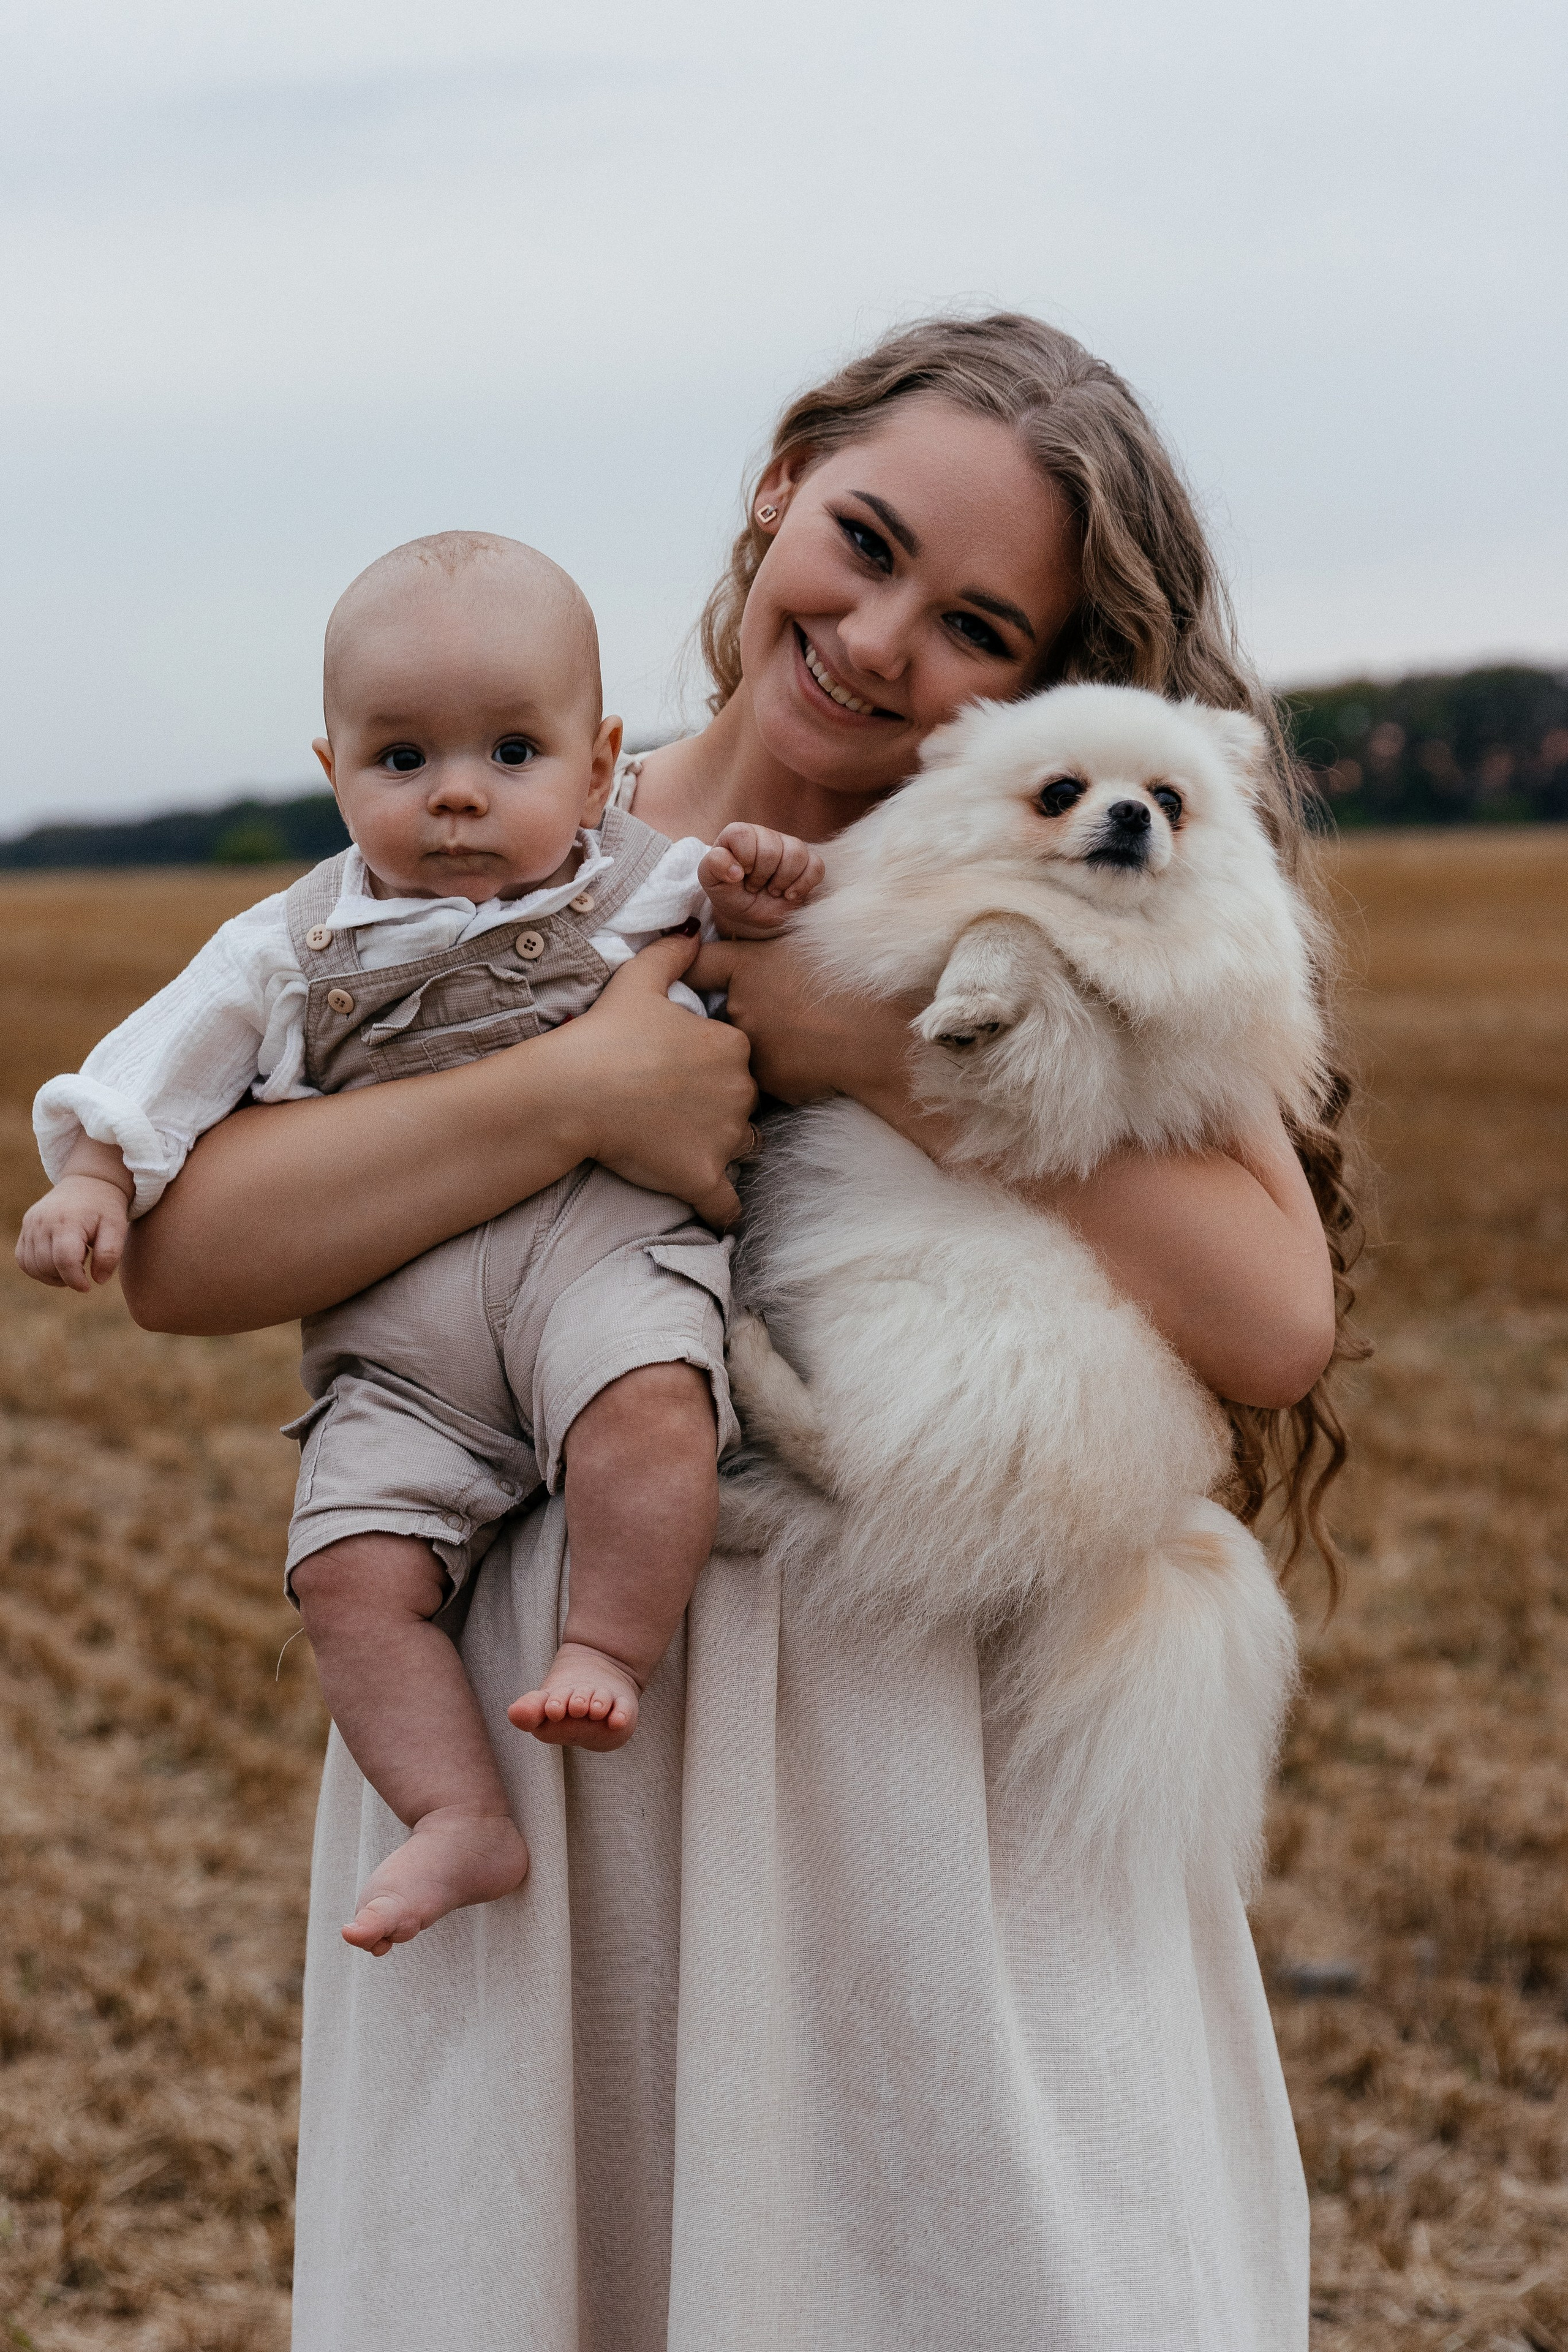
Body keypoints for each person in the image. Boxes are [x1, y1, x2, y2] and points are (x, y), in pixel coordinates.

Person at [121, 315, 1351, 2351]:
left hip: (921, 1757)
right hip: (565, 1748)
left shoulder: (1041, 885)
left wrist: (863, 1042)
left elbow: (1275, 1315)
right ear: (780, 483)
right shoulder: (499, 821)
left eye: (972, 623)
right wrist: (574, 1097)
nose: (876, 639)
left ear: (1035, 687)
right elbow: (187, 1257)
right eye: (860, 544)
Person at [19, 531, 824, 1959]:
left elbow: (740, 938)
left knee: (652, 1413)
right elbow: (156, 1070)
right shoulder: (288, 944)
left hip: (597, 1266)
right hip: (401, 1355)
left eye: (511, 751)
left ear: (597, 764)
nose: (456, 792)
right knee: (345, 1574)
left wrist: (758, 895)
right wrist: (94, 1179)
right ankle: (457, 1812)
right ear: (332, 769)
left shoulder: (637, 879)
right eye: (402, 760)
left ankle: (603, 1647)